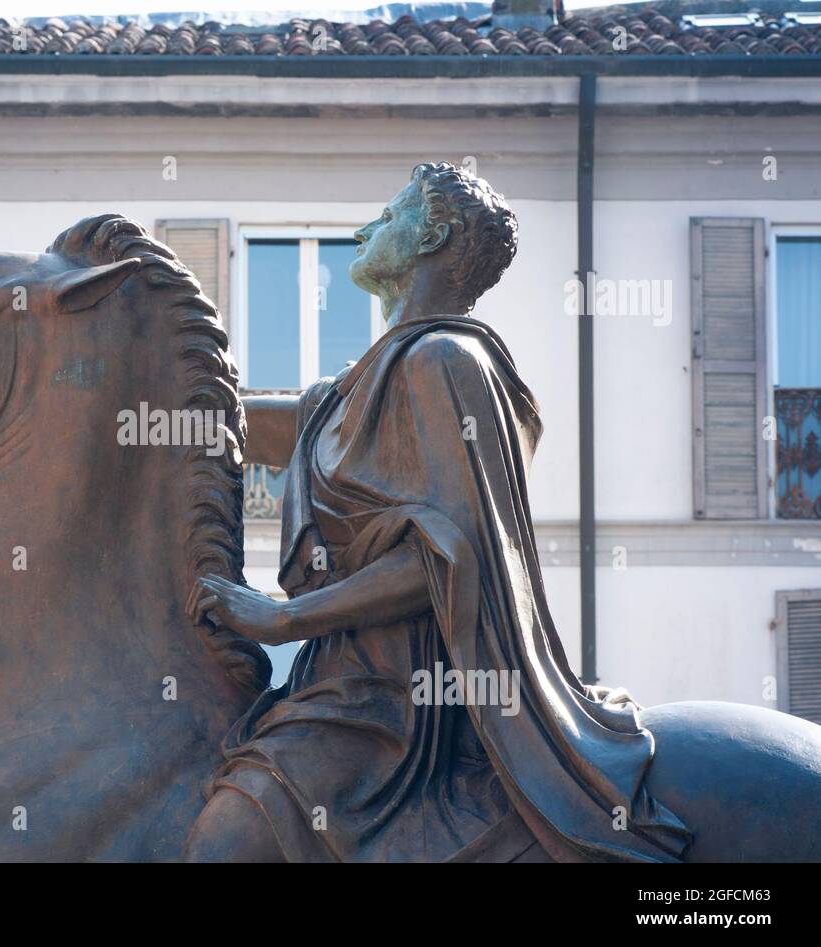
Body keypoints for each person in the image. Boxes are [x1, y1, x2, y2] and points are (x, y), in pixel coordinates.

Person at [184, 162, 690, 863]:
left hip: (405, 695)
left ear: (435, 236)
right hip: (335, 676)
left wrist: (283, 617)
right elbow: (261, 425)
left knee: (228, 838)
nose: (365, 229)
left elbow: (450, 556)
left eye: (388, 217)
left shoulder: (445, 362)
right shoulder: (354, 387)